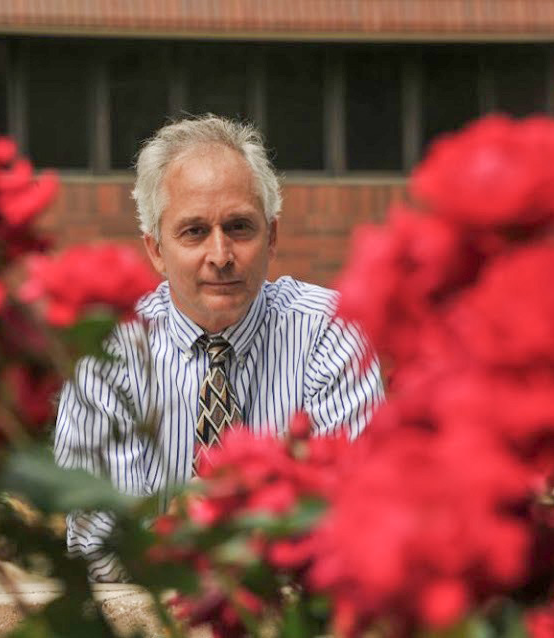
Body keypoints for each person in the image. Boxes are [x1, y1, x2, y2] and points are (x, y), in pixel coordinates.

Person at [52, 115, 384, 581]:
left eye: (240, 227)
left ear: (273, 238)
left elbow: (358, 515)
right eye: (194, 231)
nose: (221, 255)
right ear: (155, 250)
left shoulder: (328, 332)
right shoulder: (108, 351)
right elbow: (101, 546)